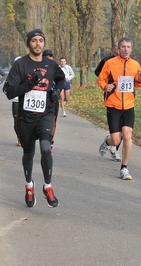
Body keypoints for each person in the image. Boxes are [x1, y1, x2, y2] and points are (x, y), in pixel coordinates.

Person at [3, 29, 65, 207]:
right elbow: (10, 91)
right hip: (25, 117)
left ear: (44, 43)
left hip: (45, 114)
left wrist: (56, 92)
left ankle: (48, 186)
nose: (38, 44)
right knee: (28, 153)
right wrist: (31, 83)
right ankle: (29, 185)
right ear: (29, 43)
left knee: (46, 148)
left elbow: (61, 79)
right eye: (34, 41)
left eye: (40, 40)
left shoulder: (51, 65)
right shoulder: (21, 65)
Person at [97, 37, 141, 180]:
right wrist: (106, 86)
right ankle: (108, 141)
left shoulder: (135, 64)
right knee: (116, 140)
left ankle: (124, 168)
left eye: (128, 47)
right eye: (123, 47)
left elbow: (137, 84)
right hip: (113, 104)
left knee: (128, 135)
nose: (125, 49)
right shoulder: (110, 63)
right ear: (118, 49)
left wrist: (140, 79)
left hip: (129, 105)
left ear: (131, 49)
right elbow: (100, 79)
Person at [94, 41, 122, 162]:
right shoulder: (107, 61)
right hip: (111, 96)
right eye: (116, 47)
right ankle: (112, 144)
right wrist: (106, 83)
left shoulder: (126, 61)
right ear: (113, 49)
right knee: (116, 127)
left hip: (125, 98)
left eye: (120, 47)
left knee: (124, 129)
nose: (119, 49)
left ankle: (114, 147)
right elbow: (98, 73)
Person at [43, 49, 58, 153]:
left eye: (50, 56)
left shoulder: (56, 69)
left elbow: (61, 82)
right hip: (41, 99)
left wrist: (58, 91)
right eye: (46, 57)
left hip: (53, 100)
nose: (49, 58)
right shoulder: (38, 69)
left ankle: (50, 140)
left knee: (53, 121)